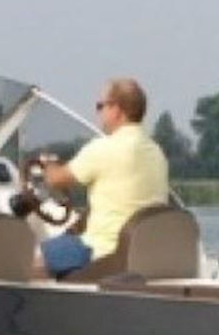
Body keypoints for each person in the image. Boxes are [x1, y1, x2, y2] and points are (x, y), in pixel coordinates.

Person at [35, 78, 169, 277]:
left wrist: (45, 165)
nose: (98, 113)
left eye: (100, 106)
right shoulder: (156, 152)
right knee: (61, 246)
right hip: (144, 253)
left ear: (116, 109)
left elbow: (56, 179)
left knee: (34, 257)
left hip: (102, 250)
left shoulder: (104, 148)